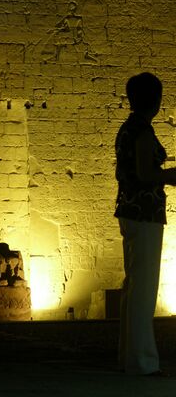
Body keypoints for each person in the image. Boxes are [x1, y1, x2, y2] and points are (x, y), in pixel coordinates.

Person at [114, 72, 176, 376]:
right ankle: (142, 361)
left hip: (131, 211)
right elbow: (144, 174)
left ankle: (130, 356)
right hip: (144, 214)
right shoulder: (141, 131)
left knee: (134, 286)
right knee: (144, 288)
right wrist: (170, 176)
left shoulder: (129, 128)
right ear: (156, 100)